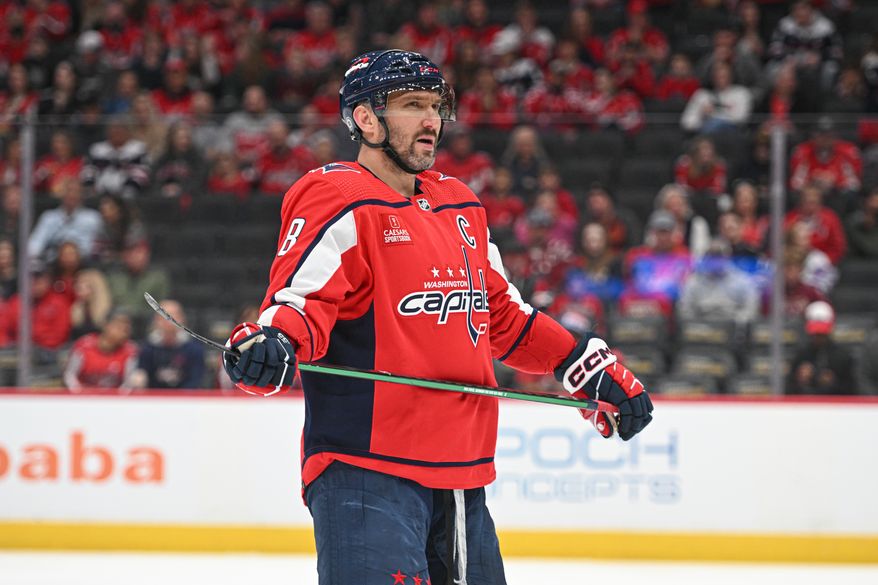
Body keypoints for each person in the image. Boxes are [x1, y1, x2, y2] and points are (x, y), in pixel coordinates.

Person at [221, 50, 653, 585]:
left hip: (462, 474)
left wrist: (584, 367)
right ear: (365, 118)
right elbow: (303, 306)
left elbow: (501, 316)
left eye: (435, 106)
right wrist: (272, 345)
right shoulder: (338, 197)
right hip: (366, 470)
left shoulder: (460, 204)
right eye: (412, 106)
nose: (432, 121)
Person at [132, 299, 205, 389]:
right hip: (153, 400)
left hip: (184, 400)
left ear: (182, 319)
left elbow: (195, 381)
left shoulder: (194, 349)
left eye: (173, 315)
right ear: (156, 320)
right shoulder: (147, 348)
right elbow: (142, 375)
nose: (168, 320)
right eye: (162, 315)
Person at [787, 301, 855, 395]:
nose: (818, 337)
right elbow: (787, 390)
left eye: (822, 334)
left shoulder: (842, 357)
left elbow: (852, 391)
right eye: (815, 334)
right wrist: (799, 380)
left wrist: (833, 383)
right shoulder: (801, 356)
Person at [63, 310, 138, 392]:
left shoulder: (129, 351)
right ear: (105, 325)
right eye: (119, 327)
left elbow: (129, 382)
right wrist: (79, 392)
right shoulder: (83, 346)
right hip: (83, 396)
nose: (123, 333)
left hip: (113, 399)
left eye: (126, 329)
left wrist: (118, 397)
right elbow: (70, 375)